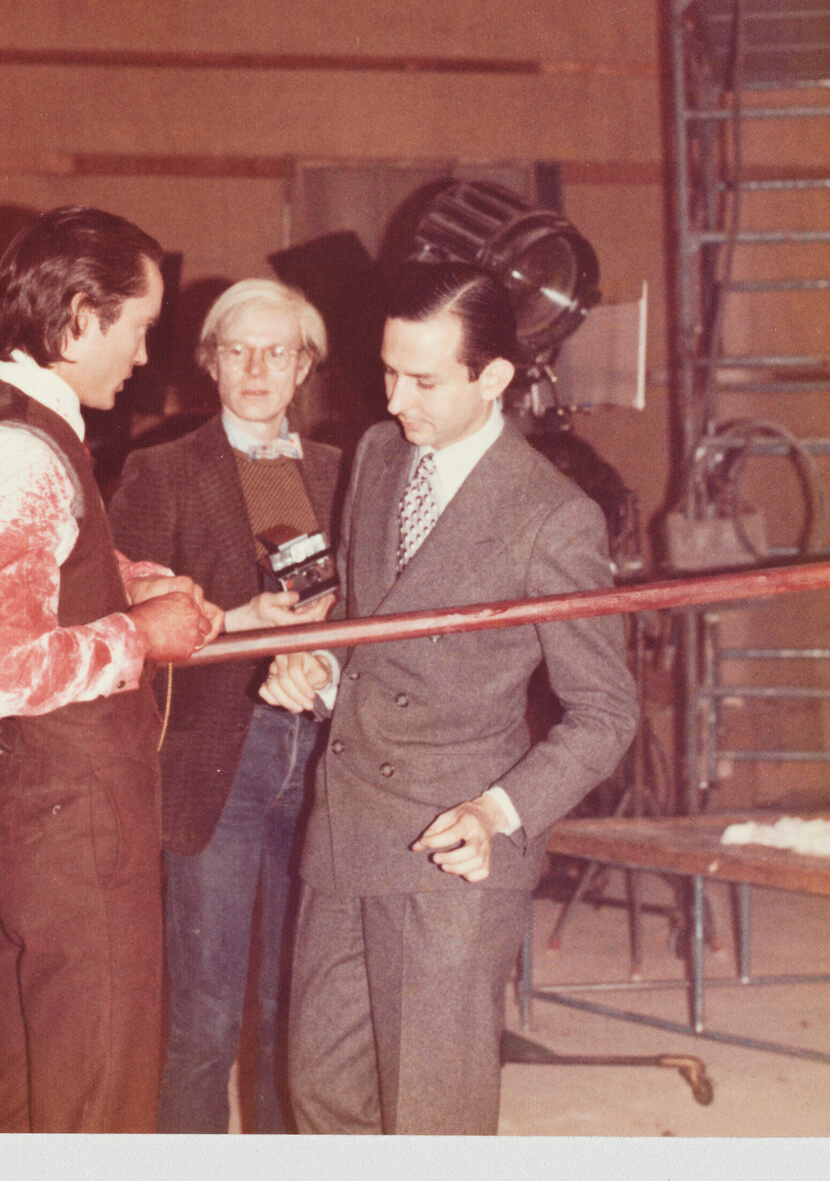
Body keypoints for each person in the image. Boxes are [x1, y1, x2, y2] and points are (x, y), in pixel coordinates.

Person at [261, 259, 639, 1135]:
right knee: (320, 1093)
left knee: (433, 1116)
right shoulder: (379, 454)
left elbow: (607, 711)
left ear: (495, 378)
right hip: (347, 827)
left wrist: (502, 811)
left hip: (453, 851)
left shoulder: (553, 518)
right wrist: (317, 664)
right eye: (389, 370)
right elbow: (366, 615)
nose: (396, 399)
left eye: (424, 380)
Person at [0, 205, 223, 1133]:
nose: (140, 355)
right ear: (81, 314)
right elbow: (5, 667)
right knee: (97, 1111)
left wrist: (126, 578)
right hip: (76, 822)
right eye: (138, 328)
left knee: (26, 1107)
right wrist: (143, 636)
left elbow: (14, 572)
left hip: (22, 813)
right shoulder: (21, 452)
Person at [110, 279, 342, 1133]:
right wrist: (241, 623)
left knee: (299, 1015)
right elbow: (124, 620)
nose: (257, 367)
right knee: (205, 1019)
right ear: (210, 362)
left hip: (323, 758)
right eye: (238, 349)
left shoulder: (343, 474)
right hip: (216, 762)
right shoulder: (160, 470)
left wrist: (325, 655)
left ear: (304, 366)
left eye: (277, 351)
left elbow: (375, 605)